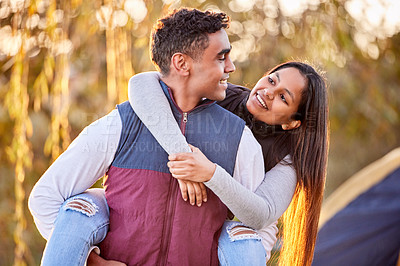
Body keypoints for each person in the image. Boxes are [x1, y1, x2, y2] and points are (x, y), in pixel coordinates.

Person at [28, 8, 289, 265]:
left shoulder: (238, 138)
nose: (230, 67)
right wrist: (93, 262)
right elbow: (46, 198)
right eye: (221, 58)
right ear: (182, 63)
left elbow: (259, 230)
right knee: (79, 207)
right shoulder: (121, 124)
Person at [129, 60, 329, 266]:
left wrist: (209, 173)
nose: (269, 92)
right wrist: (183, 156)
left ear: (292, 122)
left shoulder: (288, 160)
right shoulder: (222, 95)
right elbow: (142, 82)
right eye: (271, 80)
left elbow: (260, 214)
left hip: (242, 234)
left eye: (283, 97)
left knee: (240, 243)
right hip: (188, 214)